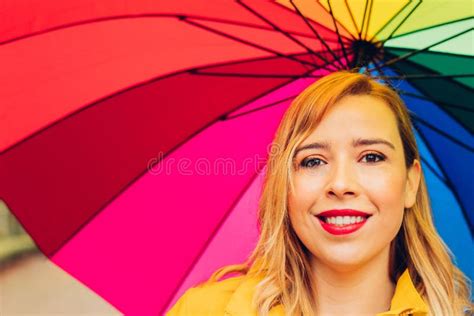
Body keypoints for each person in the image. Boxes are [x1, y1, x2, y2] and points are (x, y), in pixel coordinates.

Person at [167, 70, 472, 315]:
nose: (340, 184)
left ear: (410, 184)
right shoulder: (205, 310)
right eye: (313, 161)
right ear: (285, 186)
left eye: (371, 157)